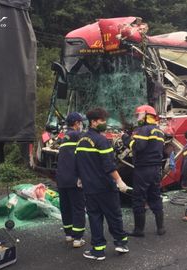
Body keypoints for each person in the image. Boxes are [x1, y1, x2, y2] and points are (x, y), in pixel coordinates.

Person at [75, 107, 130, 260]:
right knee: (114, 215)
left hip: (90, 189)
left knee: (95, 218)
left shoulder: (81, 140)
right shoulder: (101, 140)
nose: (105, 123)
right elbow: (109, 165)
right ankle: (121, 243)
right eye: (102, 121)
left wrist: (80, 178)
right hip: (105, 187)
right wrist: (119, 181)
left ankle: (98, 251)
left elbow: (78, 163)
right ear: (93, 122)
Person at [122, 105, 165, 237]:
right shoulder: (159, 131)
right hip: (156, 169)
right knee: (155, 196)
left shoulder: (143, 130)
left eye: (139, 115)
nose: (137, 118)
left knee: (138, 198)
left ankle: (139, 230)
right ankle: (161, 228)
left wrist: (125, 139)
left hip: (143, 169)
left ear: (146, 115)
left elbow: (138, 147)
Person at [56, 112, 86, 248]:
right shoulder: (77, 136)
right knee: (78, 208)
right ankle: (78, 238)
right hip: (74, 179)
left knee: (66, 207)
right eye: (80, 123)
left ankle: (69, 235)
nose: (81, 125)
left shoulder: (64, 137)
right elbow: (81, 158)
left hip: (61, 179)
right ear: (76, 123)